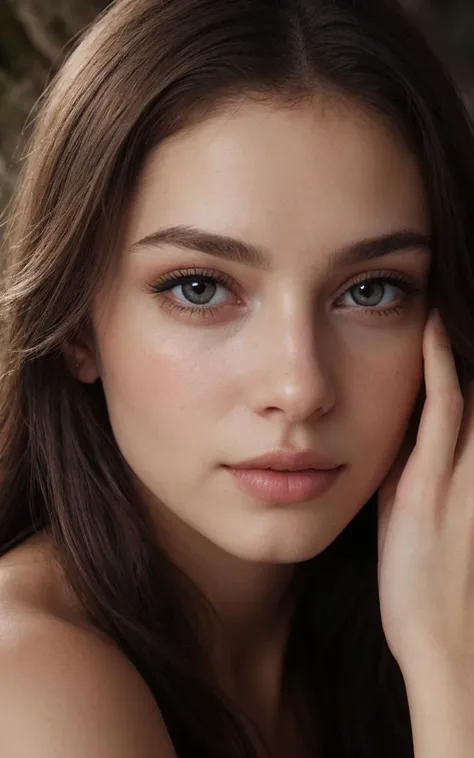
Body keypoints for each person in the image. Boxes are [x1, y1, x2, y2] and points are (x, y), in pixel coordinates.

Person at [0, 0, 474, 755]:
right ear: (77, 328)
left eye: (371, 290)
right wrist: (453, 675)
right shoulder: (25, 684)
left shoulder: (397, 616)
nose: (299, 385)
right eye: (199, 288)